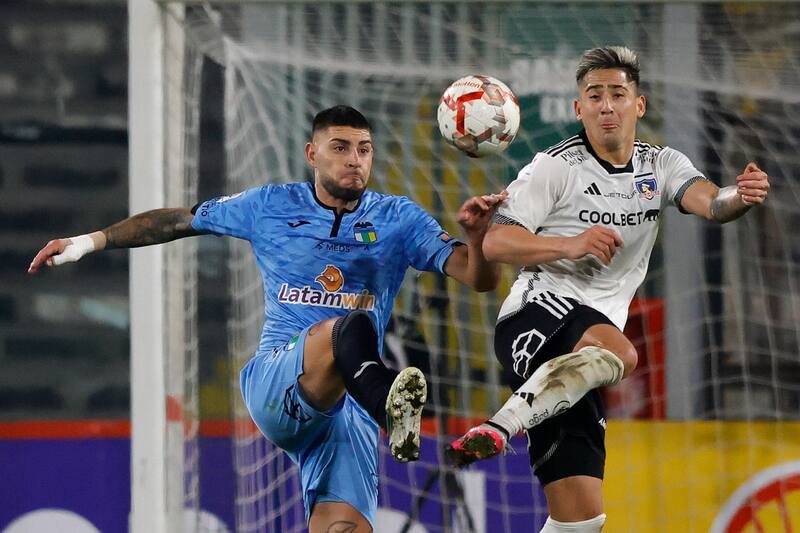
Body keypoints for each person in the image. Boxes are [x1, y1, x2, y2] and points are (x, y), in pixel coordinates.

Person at [28, 105, 506, 533]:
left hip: (349, 410)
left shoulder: (399, 218)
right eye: (340, 148)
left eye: (364, 150)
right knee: (349, 326)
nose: (354, 160)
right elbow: (177, 221)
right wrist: (87, 242)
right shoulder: (270, 206)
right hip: (280, 380)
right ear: (311, 154)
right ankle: (390, 407)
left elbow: (477, 277)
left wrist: (479, 238)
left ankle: (382, 409)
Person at [445, 46, 770, 533]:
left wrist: (737, 196)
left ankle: (503, 428)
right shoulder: (555, 166)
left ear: (638, 104)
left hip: (576, 366)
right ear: (579, 108)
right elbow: (494, 241)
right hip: (534, 315)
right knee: (624, 353)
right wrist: (571, 243)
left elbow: (711, 203)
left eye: (617, 94)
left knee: (581, 519)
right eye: (594, 95)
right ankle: (498, 428)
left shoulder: (661, 165)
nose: (605, 105)